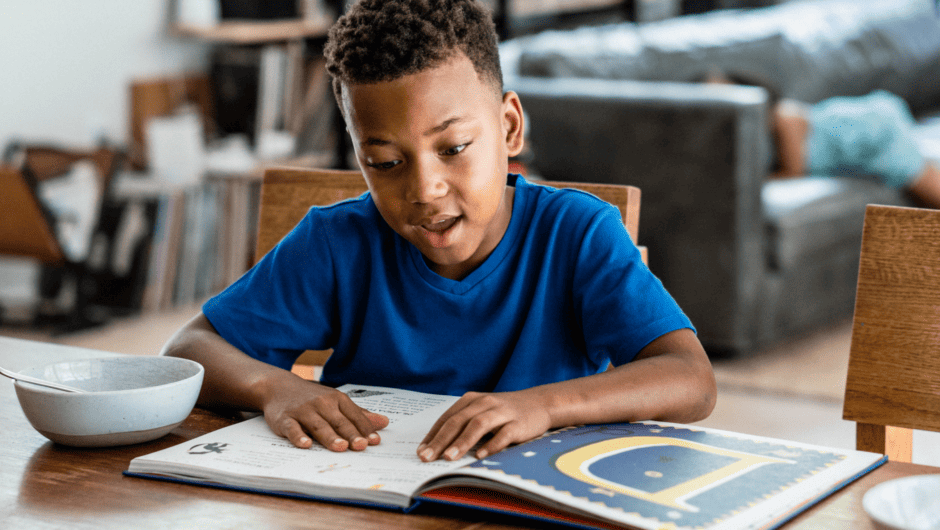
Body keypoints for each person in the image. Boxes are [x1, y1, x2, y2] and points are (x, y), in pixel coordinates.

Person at [162, 0, 716, 463]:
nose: (424, 190)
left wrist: (543, 406)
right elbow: (189, 348)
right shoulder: (339, 241)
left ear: (509, 127)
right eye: (383, 162)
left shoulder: (576, 233)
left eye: (452, 149)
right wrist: (275, 389)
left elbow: (690, 379)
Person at [701, 71, 940, 208]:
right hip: (863, 136)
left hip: (866, 130)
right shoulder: (754, 138)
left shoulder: (784, 116)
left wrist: (759, 181)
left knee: (923, 187)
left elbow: (794, 169)